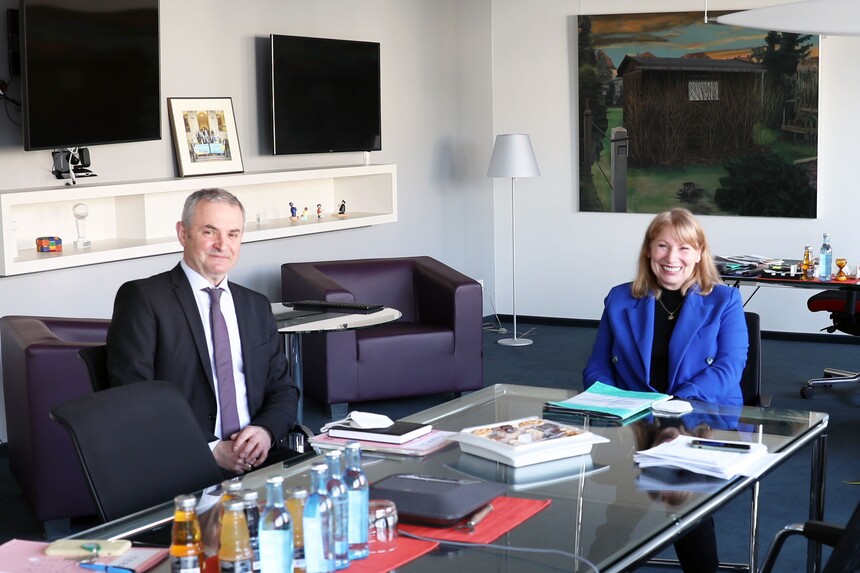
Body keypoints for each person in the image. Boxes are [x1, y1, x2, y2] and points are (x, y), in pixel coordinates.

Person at [583, 207, 748, 573]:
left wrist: (675, 403)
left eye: (684, 248)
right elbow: (597, 364)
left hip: (702, 417)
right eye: (662, 246)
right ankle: (598, 565)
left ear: (699, 253)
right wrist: (615, 402)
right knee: (627, 507)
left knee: (683, 500)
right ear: (648, 251)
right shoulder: (620, 298)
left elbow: (729, 368)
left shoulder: (724, 301)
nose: (672, 258)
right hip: (634, 421)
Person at [106, 188, 300, 476]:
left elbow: (283, 389)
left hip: (259, 456)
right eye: (210, 232)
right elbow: (134, 398)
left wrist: (265, 431)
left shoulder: (255, 305)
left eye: (233, 234)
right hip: (184, 460)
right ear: (183, 234)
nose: (222, 244)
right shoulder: (143, 298)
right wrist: (210, 448)